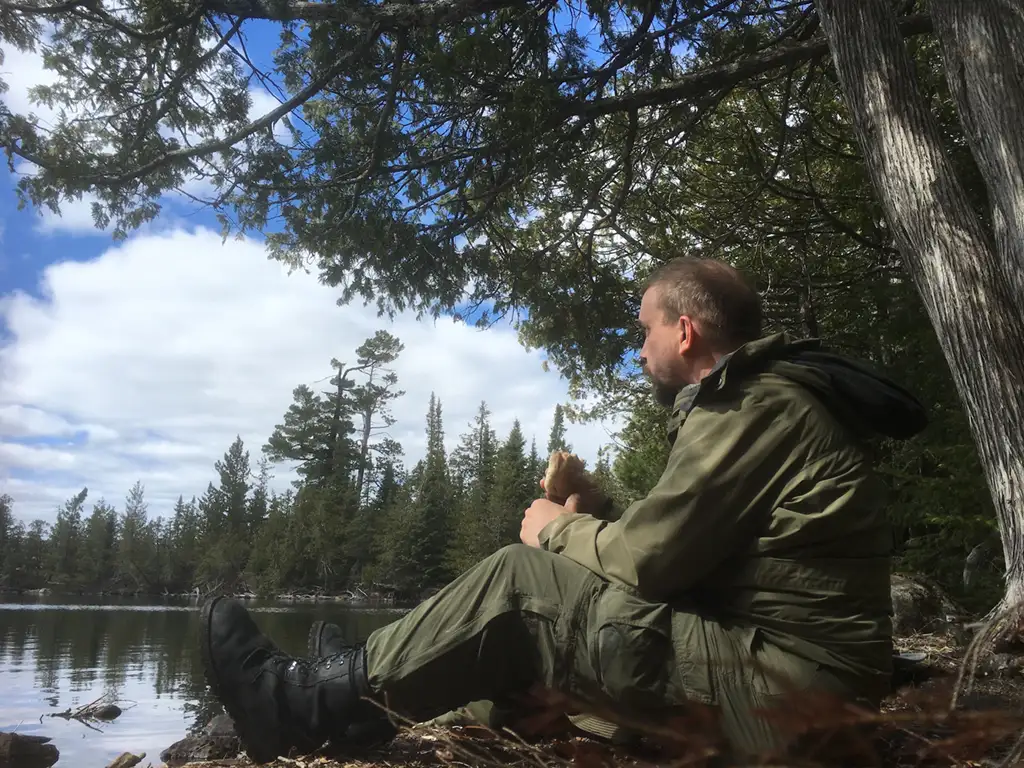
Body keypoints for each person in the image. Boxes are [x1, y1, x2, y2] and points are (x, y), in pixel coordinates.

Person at [199, 256, 927, 764]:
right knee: (535, 659)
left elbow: (649, 562)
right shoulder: (756, 406)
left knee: (521, 583)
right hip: (787, 685)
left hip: (797, 702)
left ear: (685, 332)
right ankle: (363, 692)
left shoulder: (756, 407)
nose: (639, 349)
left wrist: (558, 527)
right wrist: (599, 509)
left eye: (645, 329)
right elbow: (691, 554)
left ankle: (297, 708)